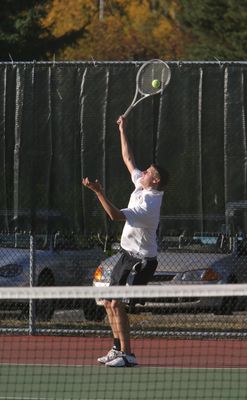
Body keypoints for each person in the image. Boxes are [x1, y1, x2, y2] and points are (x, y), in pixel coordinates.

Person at [82, 115, 169, 367]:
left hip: (142, 261)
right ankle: (116, 348)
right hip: (126, 254)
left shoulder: (150, 203)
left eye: (148, 172)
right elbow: (127, 158)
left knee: (117, 302)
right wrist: (123, 129)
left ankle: (128, 354)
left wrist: (99, 192)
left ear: (155, 181)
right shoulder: (142, 186)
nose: (142, 172)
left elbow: (114, 215)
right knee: (108, 301)